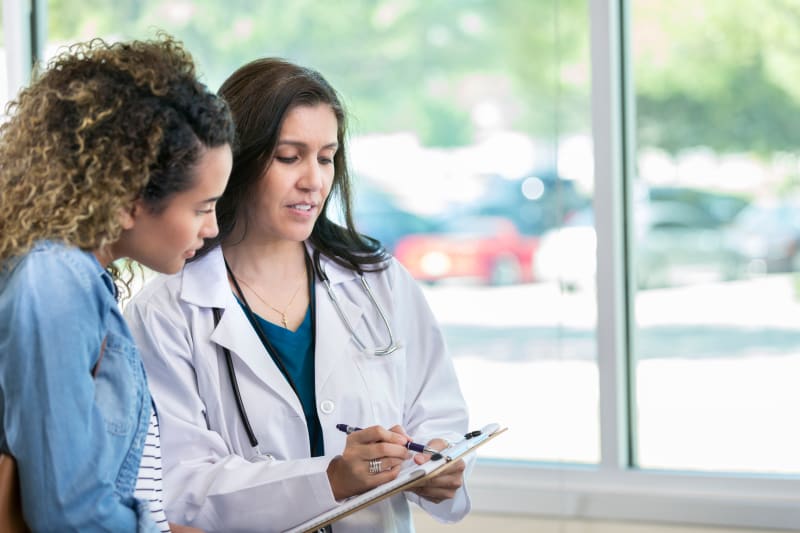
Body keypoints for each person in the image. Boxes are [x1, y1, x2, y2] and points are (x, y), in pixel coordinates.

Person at [124, 58, 472, 532]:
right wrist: (330, 479)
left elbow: (437, 414)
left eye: (326, 158)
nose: (314, 180)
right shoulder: (167, 312)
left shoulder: (377, 280)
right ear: (236, 161)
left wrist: (438, 464)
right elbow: (180, 486)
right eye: (289, 157)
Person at [0, 35, 235, 531]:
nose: (211, 228)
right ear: (129, 199)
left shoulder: (85, 281)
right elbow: (67, 511)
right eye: (202, 208)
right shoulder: (55, 283)